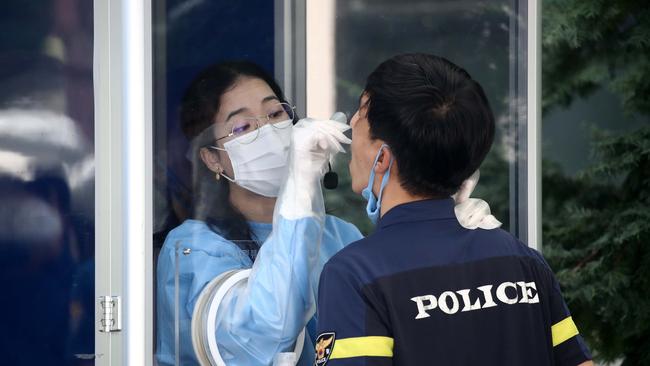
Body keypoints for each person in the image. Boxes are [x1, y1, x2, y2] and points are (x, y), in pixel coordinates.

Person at [156, 60, 497, 366]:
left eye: (275, 114)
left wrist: (445, 243)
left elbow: (405, 320)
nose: (268, 132)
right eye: (244, 127)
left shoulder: (340, 235)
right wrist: (300, 185)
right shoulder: (192, 248)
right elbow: (263, 334)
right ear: (213, 158)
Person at [314, 53, 593, 366]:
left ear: (382, 159)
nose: (350, 123)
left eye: (361, 115)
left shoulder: (356, 274)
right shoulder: (522, 261)